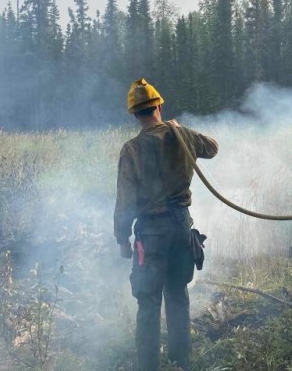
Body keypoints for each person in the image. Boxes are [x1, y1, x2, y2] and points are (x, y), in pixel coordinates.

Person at [114, 78, 219, 371]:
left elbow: (125, 200)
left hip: (151, 232)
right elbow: (212, 148)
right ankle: (180, 362)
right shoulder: (181, 134)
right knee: (177, 294)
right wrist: (179, 128)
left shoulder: (131, 150)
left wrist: (122, 238)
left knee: (148, 303)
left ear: (134, 114)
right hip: (181, 226)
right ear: (159, 105)